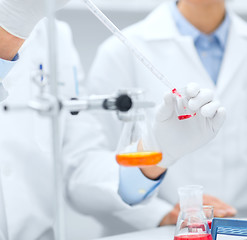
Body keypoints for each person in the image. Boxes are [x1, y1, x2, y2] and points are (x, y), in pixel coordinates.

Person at [88, 0, 247, 229]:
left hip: (243, 227)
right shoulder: (120, 53)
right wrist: (163, 213)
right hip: (152, 232)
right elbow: (90, 173)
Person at [0, 0, 225, 238]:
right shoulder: (25, 17)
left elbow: (79, 165)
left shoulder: (55, 37)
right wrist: (8, 32)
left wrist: (154, 154)